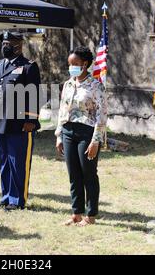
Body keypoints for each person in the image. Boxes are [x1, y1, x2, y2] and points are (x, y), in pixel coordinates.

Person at [55, 46, 107, 227]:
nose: (71, 68)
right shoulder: (68, 84)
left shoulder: (96, 86)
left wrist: (96, 140)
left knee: (88, 174)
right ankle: (76, 213)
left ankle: (90, 215)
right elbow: (63, 110)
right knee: (73, 174)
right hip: (68, 131)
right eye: (70, 64)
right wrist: (59, 135)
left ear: (85, 64)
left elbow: (102, 115)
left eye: (75, 64)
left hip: (87, 132)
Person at [0, 32, 41, 211]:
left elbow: (34, 95)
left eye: (9, 43)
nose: (5, 46)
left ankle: (17, 200)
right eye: (4, 42)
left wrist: (31, 119)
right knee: (3, 161)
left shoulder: (28, 67)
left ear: (19, 45)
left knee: (18, 162)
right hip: (0, 121)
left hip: (19, 122)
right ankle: (6, 196)